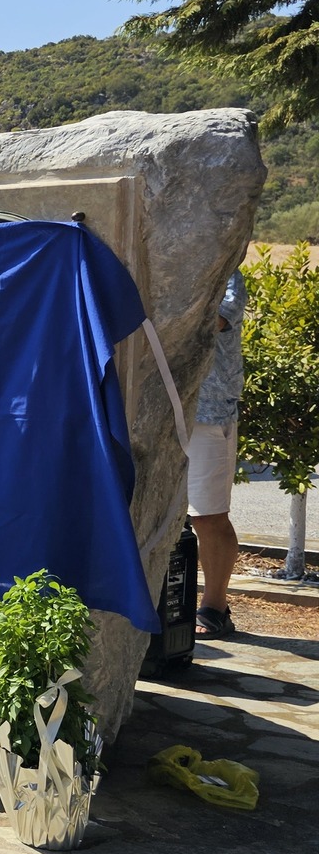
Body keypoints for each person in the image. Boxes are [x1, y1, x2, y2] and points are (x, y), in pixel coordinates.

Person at [191, 271, 247, 639]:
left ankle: (215, 607)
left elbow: (217, 318)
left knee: (208, 516)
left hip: (208, 412)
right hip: (157, 410)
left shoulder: (228, 274)